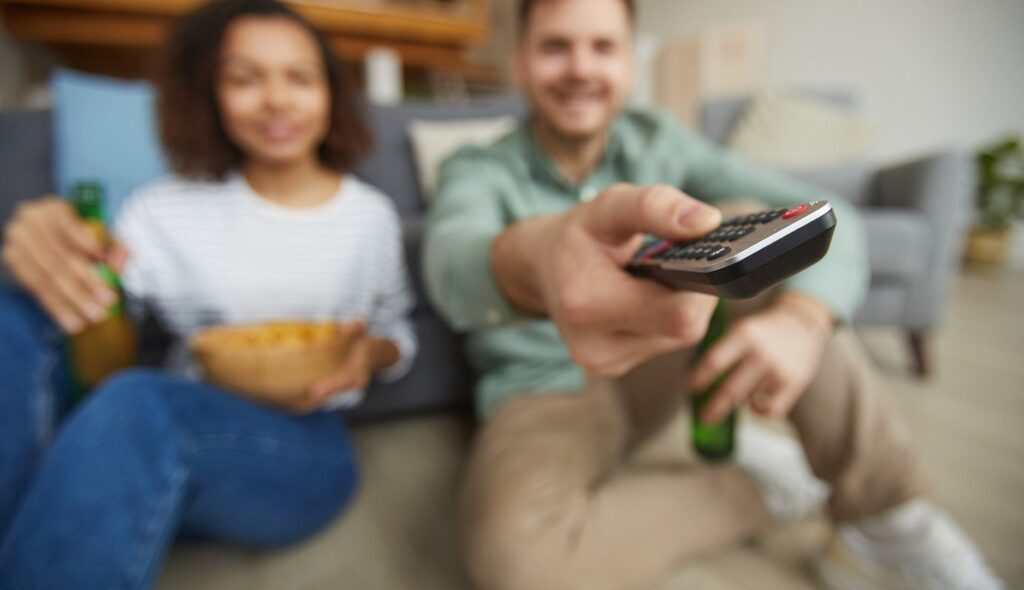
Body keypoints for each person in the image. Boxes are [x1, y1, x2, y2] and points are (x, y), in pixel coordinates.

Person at [423, 0, 1002, 589]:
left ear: (628, 62)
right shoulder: (477, 168)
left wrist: (803, 318)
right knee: (517, 565)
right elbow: (451, 263)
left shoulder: (664, 142)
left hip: (658, 367)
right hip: (543, 393)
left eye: (602, 47)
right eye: (555, 47)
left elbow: (828, 217)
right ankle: (766, 488)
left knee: (752, 225)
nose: (581, 68)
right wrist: (539, 255)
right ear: (520, 63)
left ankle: (888, 520)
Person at [0, 1, 416, 588]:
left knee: (138, 402)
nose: (276, 99)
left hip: (301, 444)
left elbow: (398, 334)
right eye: (246, 79)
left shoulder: (369, 218)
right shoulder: (163, 209)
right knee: (11, 318)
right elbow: (98, 307)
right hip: (166, 422)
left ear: (331, 95)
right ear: (210, 95)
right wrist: (50, 252)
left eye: (299, 77)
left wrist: (369, 354)